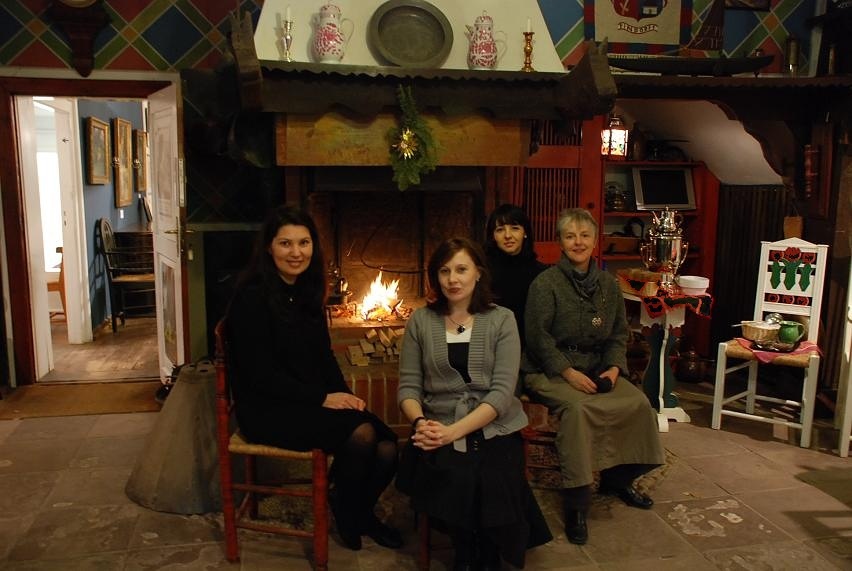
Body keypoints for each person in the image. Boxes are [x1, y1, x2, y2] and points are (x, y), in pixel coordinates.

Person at [225, 205, 402, 551]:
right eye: (285, 244)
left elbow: (323, 356)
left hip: (307, 399)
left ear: (313, 247)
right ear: (268, 248)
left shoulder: (306, 292)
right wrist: (323, 399)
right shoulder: (252, 299)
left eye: (303, 243)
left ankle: (357, 510)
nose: (296, 252)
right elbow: (260, 375)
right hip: (267, 408)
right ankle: (350, 512)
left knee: (388, 447)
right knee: (363, 437)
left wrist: (344, 395)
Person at [398, 237, 551, 571]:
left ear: (478, 273)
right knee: (456, 472)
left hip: (494, 424)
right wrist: (421, 424)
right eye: (444, 271)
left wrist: (453, 433)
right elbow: (408, 388)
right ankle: (465, 551)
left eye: (461, 269)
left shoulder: (503, 319)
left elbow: (500, 394)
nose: (453, 279)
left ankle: (487, 554)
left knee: (495, 475)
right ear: (435, 277)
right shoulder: (421, 321)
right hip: (437, 423)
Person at [521, 208, 665, 546]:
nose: (578, 242)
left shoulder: (607, 284)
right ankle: (577, 502)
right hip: (549, 369)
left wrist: (615, 368)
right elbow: (537, 338)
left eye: (585, 235)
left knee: (637, 404)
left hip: (598, 367)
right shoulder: (545, 284)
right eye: (570, 236)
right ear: (560, 242)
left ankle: (618, 477)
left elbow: (618, 333)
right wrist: (567, 372)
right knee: (579, 410)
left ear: (595, 241)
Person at [484, 204, 548, 346]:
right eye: (500, 230)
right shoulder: (482, 272)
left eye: (515, 228)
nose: (508, 236)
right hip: (490, 344)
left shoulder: (542, 274)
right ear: (493, 236)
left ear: (525, 233)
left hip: (532, 348)